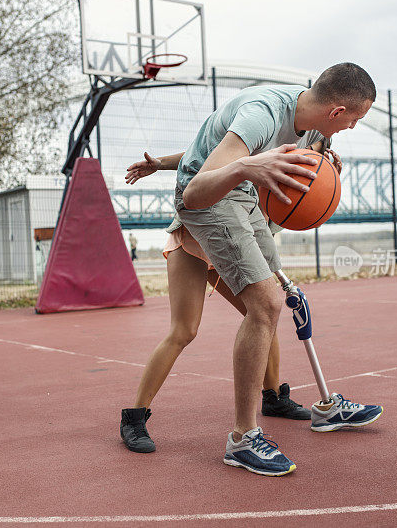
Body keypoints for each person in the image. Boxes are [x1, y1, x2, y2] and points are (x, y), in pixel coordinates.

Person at [123, 63, 380, 476]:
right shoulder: (262, 112)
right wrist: (244, 168)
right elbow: (195, 188)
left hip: (240, 199)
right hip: (206, 201)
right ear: (336, 111)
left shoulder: (312, 121)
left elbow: (216, 147)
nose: (353, 127)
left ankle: (297, 400)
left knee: (279, 298)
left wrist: (322, 168)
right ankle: (239, 438)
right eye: (355, 118)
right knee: (242, 310)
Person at [119, 130, 333, 456]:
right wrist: (160, 164)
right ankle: (134, 417)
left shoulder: (287, 183)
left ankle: (273, 396)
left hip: (231, 243)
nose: (306, 160)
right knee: (184, 330)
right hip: (192, 238)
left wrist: (326, 186)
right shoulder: (262, 154)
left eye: (314, 156)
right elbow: (204, 156)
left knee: (263, 310)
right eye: (307, 152)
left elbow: (286, 215)